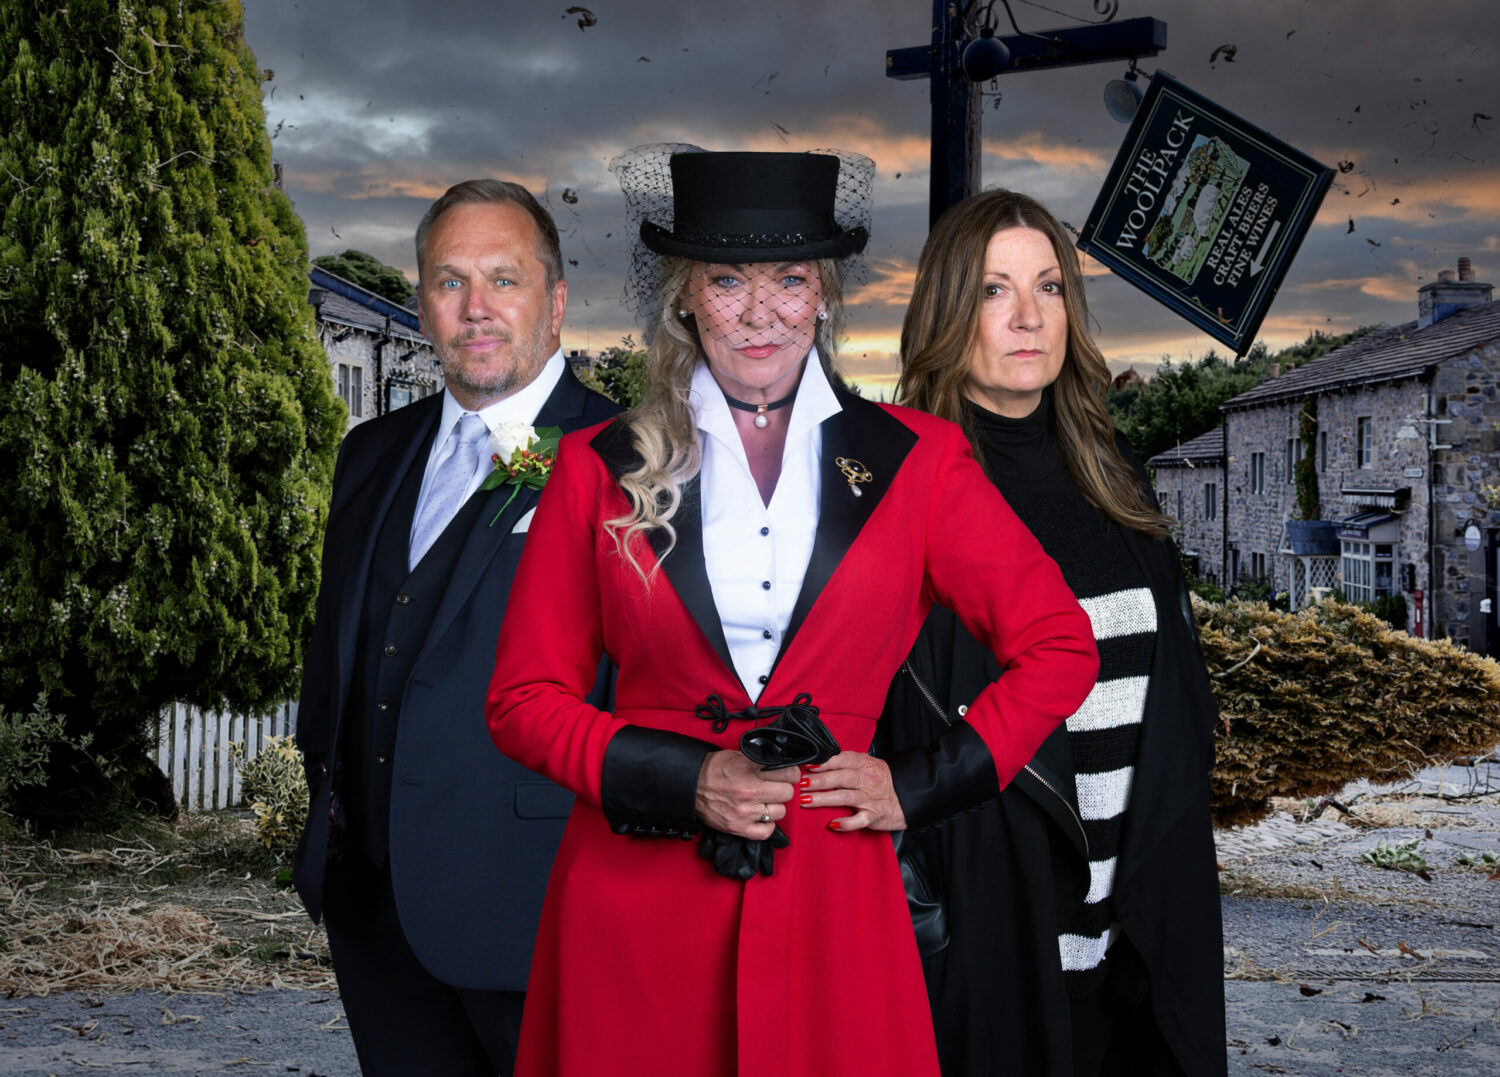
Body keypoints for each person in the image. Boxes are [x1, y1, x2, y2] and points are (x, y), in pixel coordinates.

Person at [482, 147, 1100, 1077]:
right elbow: (522, 697)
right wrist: (684, 777)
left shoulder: (918, 461)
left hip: (836, 905)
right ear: (685, 295)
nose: (761, 311)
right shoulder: (592, 466)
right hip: (632, 907)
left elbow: (1059, 645)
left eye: (790, 279)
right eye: (727, 280)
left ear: (824, 293)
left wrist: (922, 782)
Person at [885, 188, 1226, 1076]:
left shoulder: (1119, 488)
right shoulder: (902, 496)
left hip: (1133, 941)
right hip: (991, 935)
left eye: (1050, 287)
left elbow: (1175, 708)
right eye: (996, 290)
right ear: (948, 311)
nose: (1030, 316)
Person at [291, 179, 619, 1076]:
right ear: (423, 304)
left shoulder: (628, 459)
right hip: (373, 910)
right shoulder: (371, 453)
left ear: (554, 302)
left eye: (504, 280)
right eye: (449, 281)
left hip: (539, 906)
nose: (476, 309)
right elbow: (343, 653)